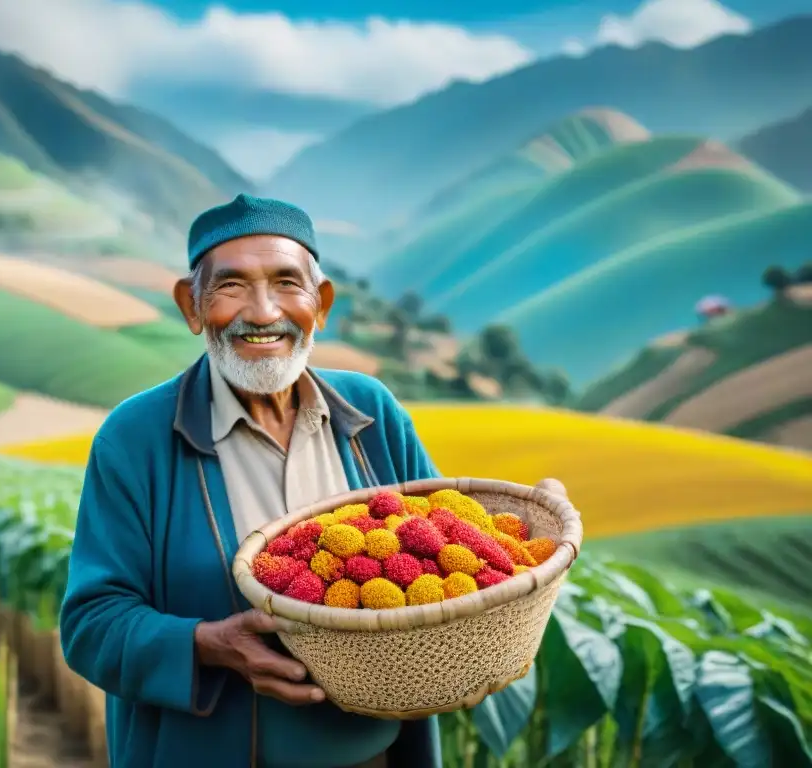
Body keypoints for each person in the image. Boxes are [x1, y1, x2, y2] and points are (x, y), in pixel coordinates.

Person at [59, 193, 568, 768]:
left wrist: (523, 540)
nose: (263, 312)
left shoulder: (370, 411)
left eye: (286, 283)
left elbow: (451, 553)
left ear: (320, 304)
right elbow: (90, 624)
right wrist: (209, 646)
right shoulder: (137, 438)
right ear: (192, 306)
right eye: (231, 287)